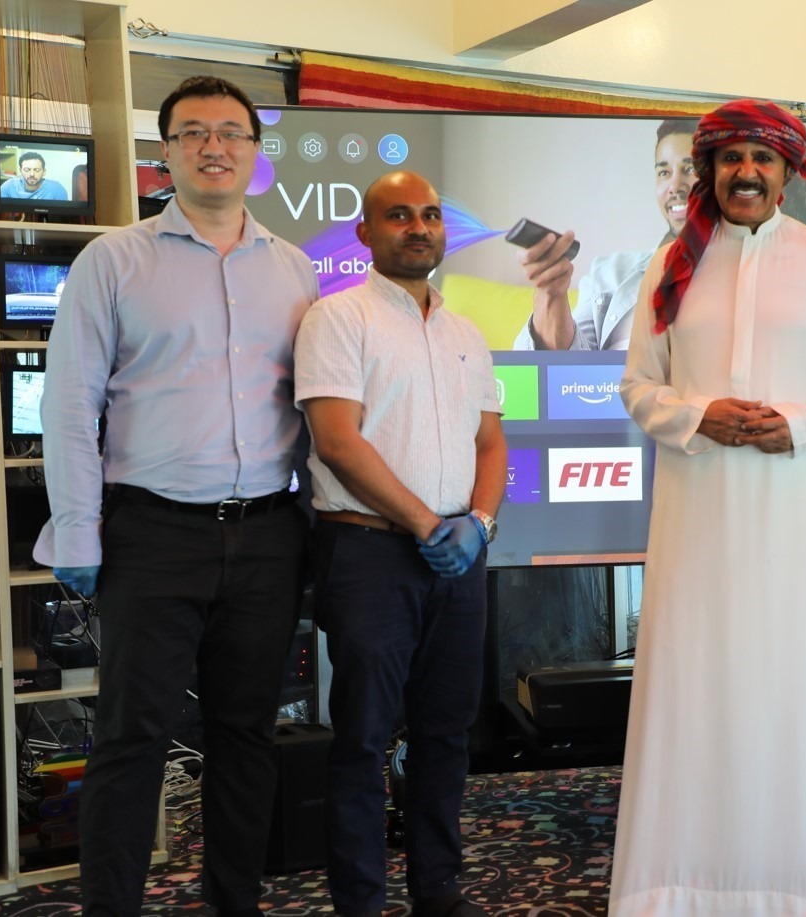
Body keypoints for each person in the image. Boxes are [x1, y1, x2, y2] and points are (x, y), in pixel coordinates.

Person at [35, 75, 319, 916]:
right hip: (152, 534)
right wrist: (77, 531)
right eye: (192, 131)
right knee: (132, 738)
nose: (213, 146)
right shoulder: (113, 260)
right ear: (166, 152)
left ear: (255, 152)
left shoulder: (294, 268)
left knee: (245, 736)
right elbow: (69, 405)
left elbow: (312, 407)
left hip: (268, 533)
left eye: (231, 132)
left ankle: (235, 903)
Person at [613, 99, 806, 916]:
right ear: (710, 169)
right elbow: (639, 385)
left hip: (797, 511)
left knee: (794, 681)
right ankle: (680, 891)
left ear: (787, 172)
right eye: (731, 157)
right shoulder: (671, 264)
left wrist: (798, 426)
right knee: (694, 682)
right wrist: (700, 415)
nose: (746, 172)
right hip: (697, 515)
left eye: (761, 158)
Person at [295, 170, 506, 917]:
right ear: (365, 233)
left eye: (430, 215)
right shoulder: (336, 318)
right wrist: (427, 524)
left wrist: (478, 524)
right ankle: (360, 902)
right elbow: (337, 442)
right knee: (363, 737)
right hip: (370, 553)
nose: (418, 228)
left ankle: (437, 891)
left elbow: (490, 442)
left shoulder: (465, 332)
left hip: (460, 555)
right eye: (398, 216)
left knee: (447, 732)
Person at [513, 119, 696, 351]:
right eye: (664, 172)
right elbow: (570, 367)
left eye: (691, 169)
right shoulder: (608, 274)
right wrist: (550, 294)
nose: (674, 186)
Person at [0, 151, 69, 200]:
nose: (32, 174)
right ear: (20, 171)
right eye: (27, 170)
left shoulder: (57, 189)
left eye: (37, 170)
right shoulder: (8, 187)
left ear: (44, 172)